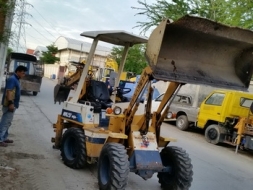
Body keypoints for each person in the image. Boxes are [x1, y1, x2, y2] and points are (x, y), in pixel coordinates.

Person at [0, 65, 27, 147]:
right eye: (22, 73)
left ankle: (4, 137)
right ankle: (0, 139)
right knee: (5, 122)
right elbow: (9, 92)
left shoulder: (16, 79)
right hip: (9, 105)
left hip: (12, 104)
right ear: (18, 72)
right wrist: (11, 103)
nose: (24, 74)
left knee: (8, 122)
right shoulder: (13, 79)